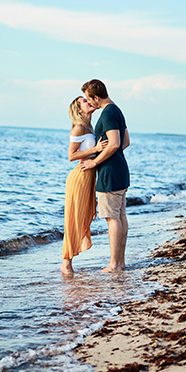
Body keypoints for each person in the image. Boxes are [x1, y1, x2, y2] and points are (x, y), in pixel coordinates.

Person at [79, 79, 130, 273]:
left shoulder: (108, 113)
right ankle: (120, 262)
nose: (89, 102)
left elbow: (116, 143)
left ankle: (115, 264)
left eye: (88, 98)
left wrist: (95, 161)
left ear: (96, 97)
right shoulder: (117, 110)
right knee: (120, 216)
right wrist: (111, 154)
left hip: (110, 173)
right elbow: (125, 142)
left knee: (112, 218)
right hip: (119, 169)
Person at [61, 96, 107, 275]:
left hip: (89, 178)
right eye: (85, 102)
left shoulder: (90, 127)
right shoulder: (79, 128)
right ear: (79, 110)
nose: (89, 102)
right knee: (74, 218)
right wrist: (95, 150)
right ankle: (66, 262)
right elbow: (71, 156)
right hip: (79, 178)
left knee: (83, 216)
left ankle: (68, 260)